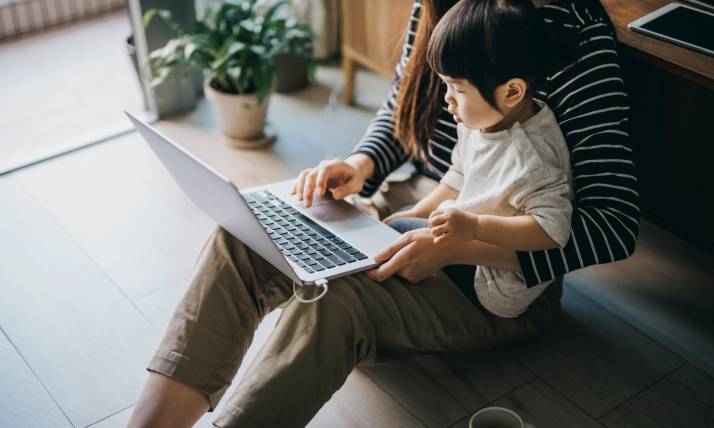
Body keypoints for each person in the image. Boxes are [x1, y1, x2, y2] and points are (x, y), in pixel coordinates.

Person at [127, 0, 639, 426]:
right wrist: (360, 164)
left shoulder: (573, 35)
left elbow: (612, 227)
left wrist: (460, 244)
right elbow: (407, 104)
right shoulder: (444, 9)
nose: (451, 100)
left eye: (459, 89)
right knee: (244, 232)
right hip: (421, 209)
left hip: (496, 275)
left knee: (337, 297)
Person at [383, 0, 576, 319]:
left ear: (512, 92)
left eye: (456, 88)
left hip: (496, 284)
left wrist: (474, 226)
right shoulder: (483, 119)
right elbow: (459, 176)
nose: (446, 98)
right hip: (470, 237)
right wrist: (419, 211)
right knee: (404, 218)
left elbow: (551, 232)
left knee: (398, 235)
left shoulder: (531, 160)